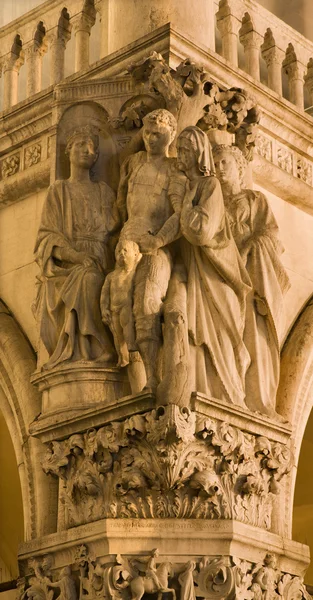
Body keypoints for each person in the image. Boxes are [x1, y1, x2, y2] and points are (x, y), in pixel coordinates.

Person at [176, 126, 252, 407]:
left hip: (216, 268)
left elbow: (201, 232)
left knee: (222, 331)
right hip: (197, 269)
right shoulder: (187, 187)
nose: (179, 155)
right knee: (202, 335)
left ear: (197, 153)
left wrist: (182, 205)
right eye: (179, 149)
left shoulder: (209, 186)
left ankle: (232, 393)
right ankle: (211, 391)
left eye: (184, 150)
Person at [213, 144, 290, 416]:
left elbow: (271, 236)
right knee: (225, 334)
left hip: (252, 278)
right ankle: (230, 392)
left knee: (254, 335)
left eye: (225, 163)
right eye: (215, 164)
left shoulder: (254, 200)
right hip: (222, 276)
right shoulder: (213, 203)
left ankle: (259, 400)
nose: (220, 169)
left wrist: (247, 248)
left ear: (239, 167)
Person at [34, 126, 120, 369]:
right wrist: (77, 256)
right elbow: (47, 239)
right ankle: (95, 346)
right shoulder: (59, 190)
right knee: (87, 277)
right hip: (69, 264)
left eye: (91, 146)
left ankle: (96, 346)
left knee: (94, 277)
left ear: (96, 157)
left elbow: (116, 227)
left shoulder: (104, 192)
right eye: (80, 143)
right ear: (68, 151)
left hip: (101, 258)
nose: (87, 149)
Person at [117, 109, 184, 391]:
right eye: (146, 132)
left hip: (157, 244)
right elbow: (121, 203)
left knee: (147, 304)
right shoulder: (133, 163)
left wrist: (157, 240)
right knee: (121, 310)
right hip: (127, 240)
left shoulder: (175, 168)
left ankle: (153, 380)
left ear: (171, 134)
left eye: (157, 133)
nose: (149, 138)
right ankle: (134, 380)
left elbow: (181, 214)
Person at [100, 239, 142, 368]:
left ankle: (134, 355)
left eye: (125, 250)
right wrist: (104, 309)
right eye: (119, 251)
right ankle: (122, 359)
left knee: (129, 332)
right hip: (114, 309)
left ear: (135, 255)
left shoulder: (136, 273)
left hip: (127, 307)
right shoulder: (112, 276)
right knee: (117, 336)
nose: (121, 253)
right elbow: (104, 295)